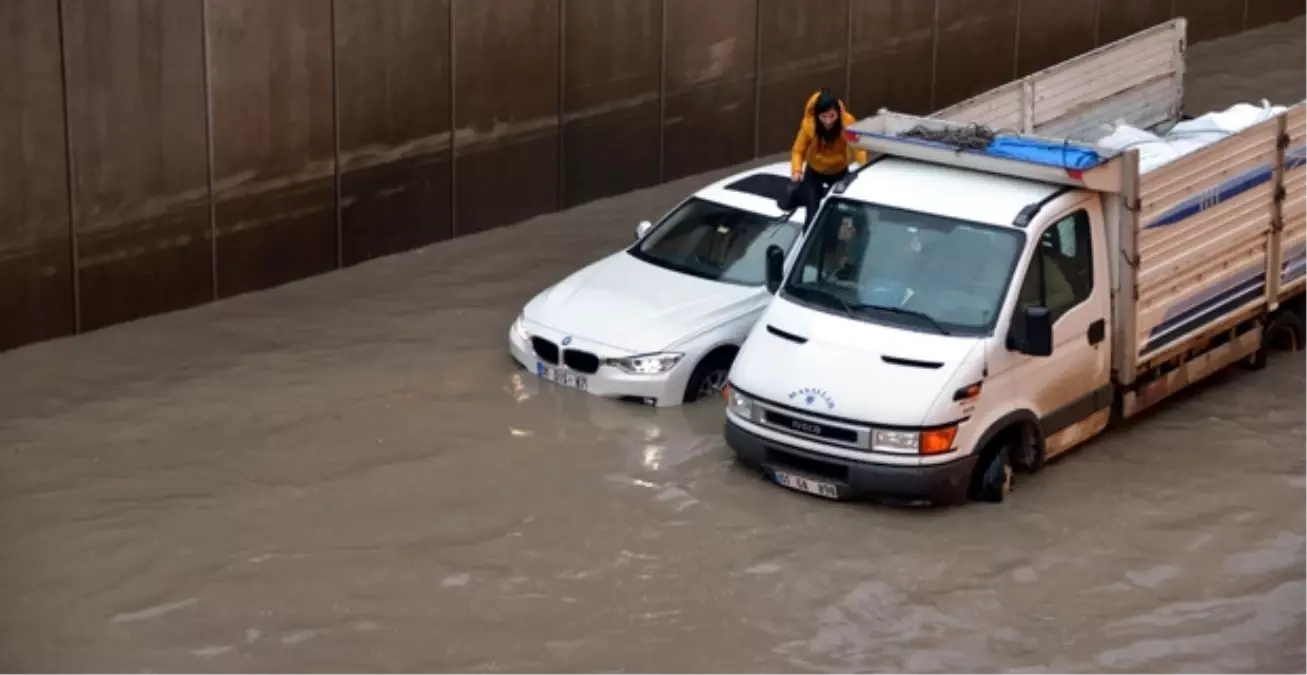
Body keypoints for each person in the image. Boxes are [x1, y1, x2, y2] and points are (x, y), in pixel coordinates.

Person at [790, 89, 867, 227]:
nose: (828, 121)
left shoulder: (847, 123)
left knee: (840, 210)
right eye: (824, 117)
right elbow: (798, 150)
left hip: (839, 170)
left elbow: (859, 148)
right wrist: (797, 170)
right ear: (817, 115)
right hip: (814, 171)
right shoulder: (809, 125)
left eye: (832, 116)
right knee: (812, 212)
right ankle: (810, 240)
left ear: (838, 113)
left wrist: (863, 167)